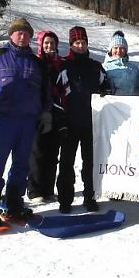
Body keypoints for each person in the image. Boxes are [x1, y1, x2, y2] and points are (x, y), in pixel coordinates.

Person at [0, 18, 51, 233]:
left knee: (21, 165)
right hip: (3, 118)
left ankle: (14, 205)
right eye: (18, 33)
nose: (22, 36)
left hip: (28, 120)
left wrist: (45, 114)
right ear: (11, 35)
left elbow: (45, 91)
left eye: (26, 34)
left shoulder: (37, 63)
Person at [56, 26, 111, 214]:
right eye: (76, 43)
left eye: (83, 42)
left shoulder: (95, 66)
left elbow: (108, 87)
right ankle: (65, 200)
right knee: (66, 163)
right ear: (71, 45)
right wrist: (60, 120)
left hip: (91, 123)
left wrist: (105, 92)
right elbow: (55, 93)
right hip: (69, 122)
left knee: (90, 163)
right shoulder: (63, 65)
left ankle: (90, 197)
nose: (80, 46)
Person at [27, 31, 64, 203]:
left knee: (52, 152)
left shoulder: (61, 64)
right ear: (41, 44)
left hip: (57, 112)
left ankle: (48, 189)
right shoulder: (35, 62)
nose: (49, 46)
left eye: (52, 43)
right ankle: (35, 190)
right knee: (37, 151)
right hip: (38, 112)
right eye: (46, 43)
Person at [102, 31, 139, 95]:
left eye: (122, 48)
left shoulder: (133, 68)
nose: (118, 51)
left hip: (132, 103)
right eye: (115, 48)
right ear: (111, 50)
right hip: (113, 104)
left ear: (125, 50)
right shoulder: (104, 68)